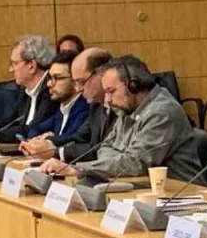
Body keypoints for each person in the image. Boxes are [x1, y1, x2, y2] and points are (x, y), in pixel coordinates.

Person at [40, 55, 197, 182]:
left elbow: (135, 163)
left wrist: (78, 169)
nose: (107, 100)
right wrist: (118, 161)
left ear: (133, 85)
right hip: (145, 189)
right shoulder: (127, 109)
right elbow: (105, 147)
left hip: (183, 195)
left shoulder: (162, 113)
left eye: (111, 91)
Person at [19, 52, 91, 160]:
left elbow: (74, 138)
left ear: (75, 80)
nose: (49, 84)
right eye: (50, 78)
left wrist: (49, 139)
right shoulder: (61, 110)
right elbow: (34, 130)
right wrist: (40, 141)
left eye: (58, 78)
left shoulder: (86, 108)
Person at [54, 48, 112, 163]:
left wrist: (58, 153)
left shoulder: (121, 107)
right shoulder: (96, 105)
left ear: (102, 74)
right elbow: (79, 137)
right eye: (75, 82)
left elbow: (104, 149)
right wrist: (48, 143)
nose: (77, 89)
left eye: (81, 82)